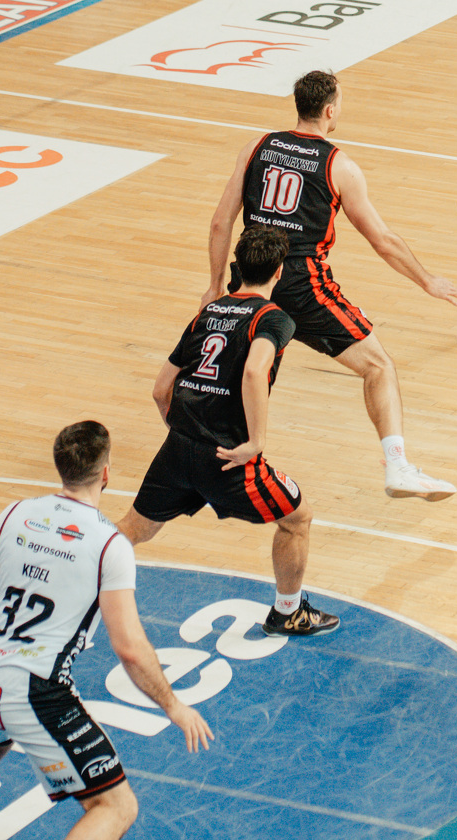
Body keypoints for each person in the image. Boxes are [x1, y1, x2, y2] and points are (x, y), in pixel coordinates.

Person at [0, 421, 213, 840]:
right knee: (116, 806)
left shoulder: (14, 514)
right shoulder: (109, 544)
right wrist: (173, 706)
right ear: (106, 473)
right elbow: (129, 647)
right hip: (33, 688)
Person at [204, 70, 457, 500]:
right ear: (329, 110)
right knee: (378, 366)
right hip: (302, 286)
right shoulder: (339, 165)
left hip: (249, 279)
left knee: (246, 372)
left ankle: (212, 455)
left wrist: (214, 286)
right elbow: (382, 241)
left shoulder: (256, 147)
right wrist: (426, 280)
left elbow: (220, 222)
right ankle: (397, 466)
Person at [123, 225, 340, 636]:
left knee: (135, 529)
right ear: (279, 272)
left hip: (178, 447)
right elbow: (255, 370)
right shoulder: (274, 318)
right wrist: (256, 442)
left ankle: (68, 572)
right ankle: (288, 612)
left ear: (238, 267)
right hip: (227, 458)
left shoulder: (208, 312)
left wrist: (183, 429)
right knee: (297, 518)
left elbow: (159, 390)